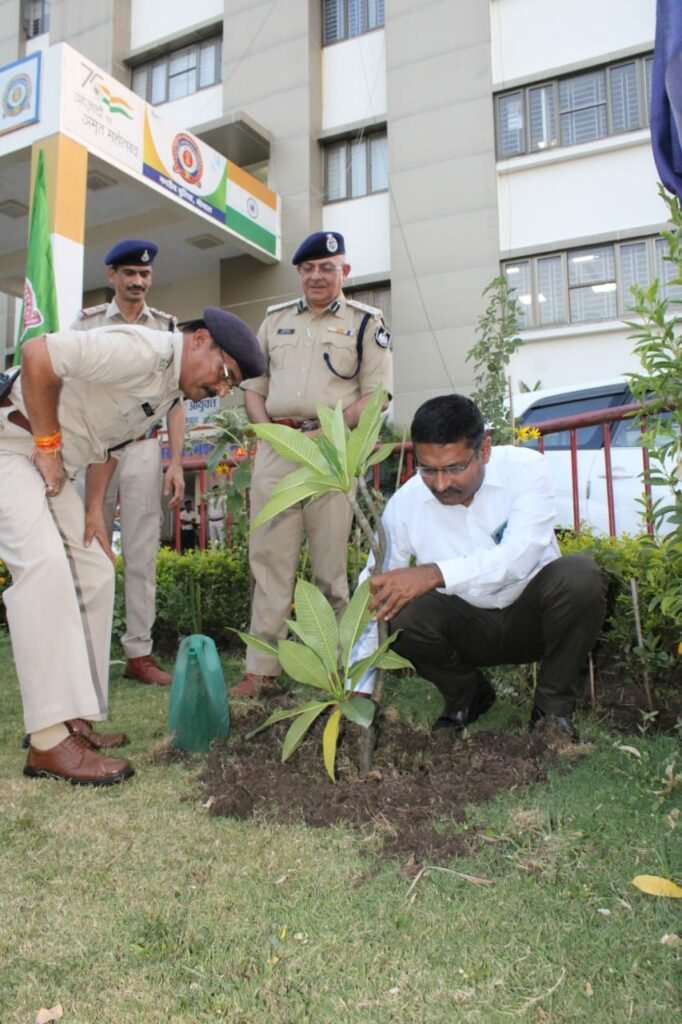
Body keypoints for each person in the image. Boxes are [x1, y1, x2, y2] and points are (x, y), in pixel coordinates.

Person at [0, 307, 265, 785]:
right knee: (43, 570)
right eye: (226, 375)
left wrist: (94, 510)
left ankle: (74, 719)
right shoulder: (141, 350)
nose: (223, 390)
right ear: (200, 339)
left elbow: (112, 444)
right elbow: (38, 355)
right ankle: (46, 742)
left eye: (233, 385)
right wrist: (47, 445)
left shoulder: (169, 388)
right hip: (13, 443)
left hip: (51, 459)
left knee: (96, 572)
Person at [352, 394, 607, 740]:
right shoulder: (406, 503)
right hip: (466, 624)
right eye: (428, 469)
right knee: (397, 609)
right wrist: (358, 688)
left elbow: (520, 556)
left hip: (532, 617)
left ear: (484, 449)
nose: (441, 484)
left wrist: (432, 573)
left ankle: (551, 712)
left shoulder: (526, 470)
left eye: (455, 468)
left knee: (580, 577)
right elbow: (375, 589)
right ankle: (467, 696)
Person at [234, 231, 393, 696]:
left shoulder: (367, 322)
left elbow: (376, 395)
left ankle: (335, 670)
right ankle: (261, 669)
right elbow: (253, 386)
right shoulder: (275, 320)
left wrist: (324, 433)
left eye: (328, 267)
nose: (318, 276)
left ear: (344, 272)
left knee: (329, 569)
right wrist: (270, 431)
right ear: (299, 273)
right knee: (269, 560)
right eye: (309, 268)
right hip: (277, 449)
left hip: (332, 454)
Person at [72, 240, 183, 686]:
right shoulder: (88, 324)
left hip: (142, 447)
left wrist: (175, 461)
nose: (138, 282)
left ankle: (139, 652)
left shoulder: (168, 328)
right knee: (87, 542)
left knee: (141, 551)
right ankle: (84, 648)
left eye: (145, 275)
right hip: (94, 447)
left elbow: (176, 400)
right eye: (130, 274)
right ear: (112, 276)